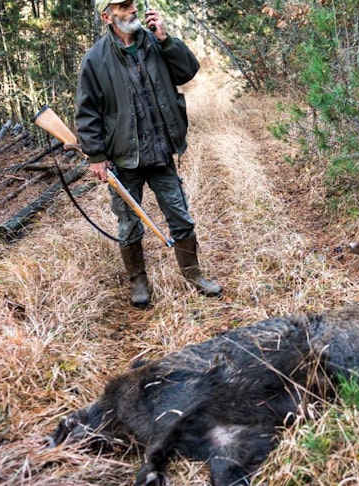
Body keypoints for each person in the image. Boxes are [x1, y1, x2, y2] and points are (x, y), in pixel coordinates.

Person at [75, 0, 221, 307]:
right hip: (123, 158)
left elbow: (188, 71)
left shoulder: (155, 42)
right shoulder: (95, 59)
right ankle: (138, 282)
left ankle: (193, 274)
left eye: (132, 4)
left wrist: (166, 40)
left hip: (160, 151)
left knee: (180, 215)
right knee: (128, 223)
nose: (132, 10)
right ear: (107, 16)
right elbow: (87, 113)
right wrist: (96, 156)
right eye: (124, 6)